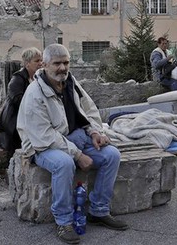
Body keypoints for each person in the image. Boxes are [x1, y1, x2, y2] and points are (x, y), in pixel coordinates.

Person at [17, 44, 128, 244]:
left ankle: (99, 210)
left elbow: (89, 108)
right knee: (64, 163)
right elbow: (44, 135)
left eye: (66, 63)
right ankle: (64, 221)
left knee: (112, 155)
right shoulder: (35, 93)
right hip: (40, 145)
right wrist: (77, 155)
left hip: (71, 137)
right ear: (45, 64)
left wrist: (95, 132)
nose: (62, 68)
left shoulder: (70, 82)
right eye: (57, 63)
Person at [0, 47, 43, 153]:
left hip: (30, 119)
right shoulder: (17, 79)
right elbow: (17, 100)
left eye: (41, 60)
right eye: (36, 61)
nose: (40, 63)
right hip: (14, 121)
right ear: (27, 63)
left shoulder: (38, 78)